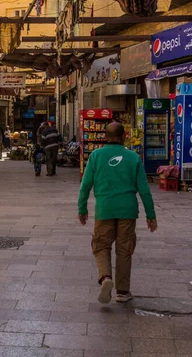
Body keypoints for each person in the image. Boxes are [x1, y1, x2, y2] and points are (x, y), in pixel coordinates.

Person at [78, 122, 157, 304]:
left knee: (101, 245)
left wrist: (82, 209)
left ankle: (106, 277)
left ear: (105, 137)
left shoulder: (96, 156)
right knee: (124, 249)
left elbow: (85, 186)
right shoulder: (133, 157)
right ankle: (122, 291)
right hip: (127, 210)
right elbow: (144, 190)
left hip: (104, 208)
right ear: (124, 137)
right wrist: (151, 215)